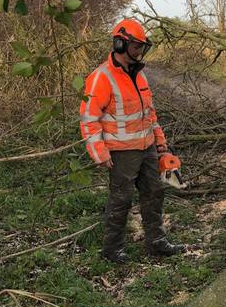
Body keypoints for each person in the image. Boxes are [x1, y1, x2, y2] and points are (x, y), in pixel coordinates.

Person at [79, 18, 185, 263]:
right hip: (121, 152)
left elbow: (149, 113)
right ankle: (112, 249)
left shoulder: (139, 75)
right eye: (136, 46)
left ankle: (156, 241)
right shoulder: (101, 77)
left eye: (141, 46)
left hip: (147, 147)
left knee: (155, 193)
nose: (139, 51)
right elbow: (88, 118)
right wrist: (99, 152)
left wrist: (160, 143)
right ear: (120, 44)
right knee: (121, 200)